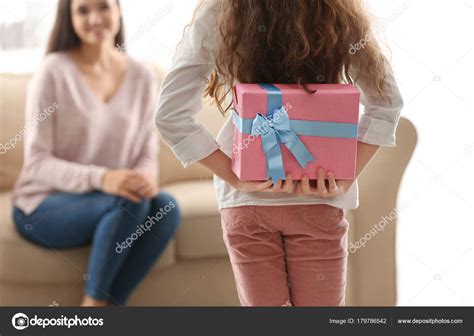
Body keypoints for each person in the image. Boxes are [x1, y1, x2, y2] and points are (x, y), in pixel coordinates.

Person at [155, 0, 404, 306]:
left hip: (248, 205)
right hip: (318, 197)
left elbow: (169, 114)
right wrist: (344, 178)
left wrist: (236, 177)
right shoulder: (336, 11)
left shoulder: (221, 12)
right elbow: (387, 104)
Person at [11, 0, 181, 306]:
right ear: (70, 18)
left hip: (114, 203)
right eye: (83, 10)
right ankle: (92, 307)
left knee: (167, 206)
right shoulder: (53, 71)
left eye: (103, 6)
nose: (95, 18)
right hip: (43, 204)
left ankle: (104, 310)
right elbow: (37, 164)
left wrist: (144, 179)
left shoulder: (142, 75)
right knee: (127, 201)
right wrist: (103, 178)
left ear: (118, 10)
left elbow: (146, 150)